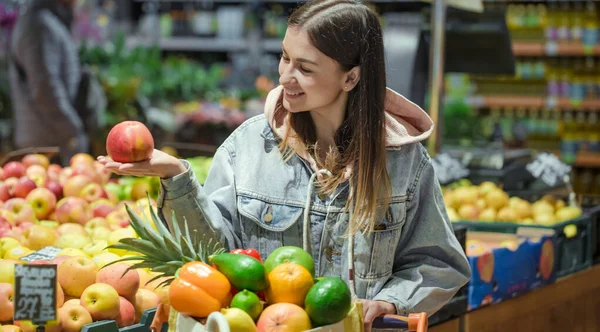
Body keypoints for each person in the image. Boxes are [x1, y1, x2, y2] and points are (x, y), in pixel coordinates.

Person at [100, 0, 471, 330]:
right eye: (284, 57)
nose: (285, 77)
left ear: (351, 77)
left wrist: (392, 300)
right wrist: (176, 176)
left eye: (305, 68)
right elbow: (216, 256)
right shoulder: (248, 147)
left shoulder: (403, 161)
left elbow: (438, 261)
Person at [8, 0, 89, 164]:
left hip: (51, 139)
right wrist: (72, 133)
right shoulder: (38, 25)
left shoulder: (46, 20)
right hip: (46, 145)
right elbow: (45, 90)